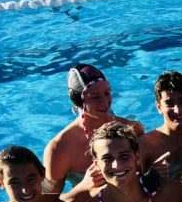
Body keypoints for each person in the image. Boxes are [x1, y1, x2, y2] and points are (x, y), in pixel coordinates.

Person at [43, 64, 142, 194]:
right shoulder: (59, 149)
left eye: (107, 93)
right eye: (95, 97)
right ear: (77, 101)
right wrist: (83, 186)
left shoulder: (133, 129)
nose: (105, 103)